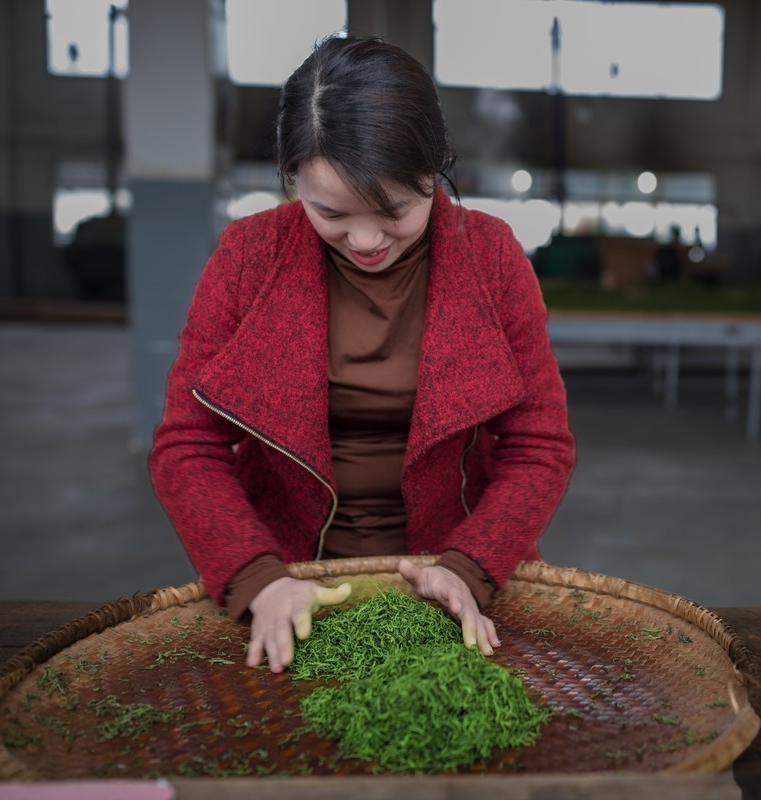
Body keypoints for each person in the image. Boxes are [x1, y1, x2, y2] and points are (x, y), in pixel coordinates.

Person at [148, 37, 575, 674]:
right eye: (331, 212)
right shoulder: (247, 258)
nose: (368, 240)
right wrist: (257, 577)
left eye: (396, 209)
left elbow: (539, 446)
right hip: (291, 585)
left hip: (453, 585)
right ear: (292, 178)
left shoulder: (491, 258)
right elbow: (188, 446)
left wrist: (470, 565)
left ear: (437, 170)